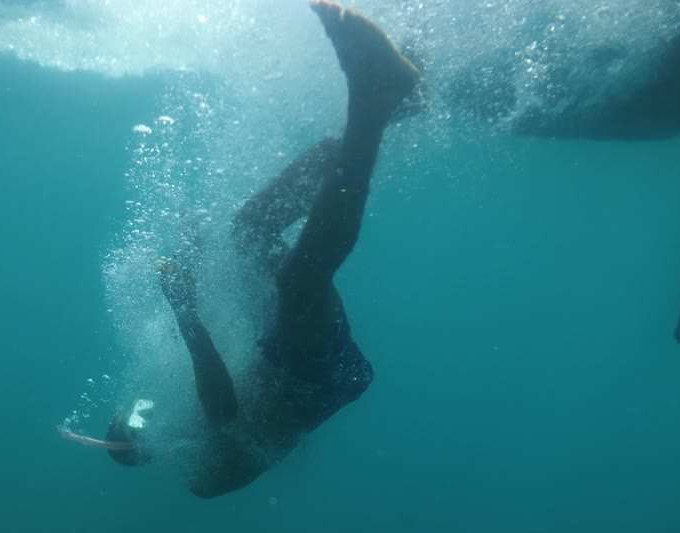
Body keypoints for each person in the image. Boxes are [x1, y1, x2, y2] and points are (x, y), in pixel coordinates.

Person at [67, 1, 421, 497]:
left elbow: (218, 367)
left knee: (247, 233)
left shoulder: (169, 417)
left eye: (136, 414)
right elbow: (225, 411)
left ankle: (389, 110)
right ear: (145, 452)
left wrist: (193, 256)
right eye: (140, 429)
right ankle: (375, 99)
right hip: (314, 382)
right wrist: (186, 316)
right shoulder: (203, 477)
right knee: (299, 281)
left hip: (276, 351)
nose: (147, 417)